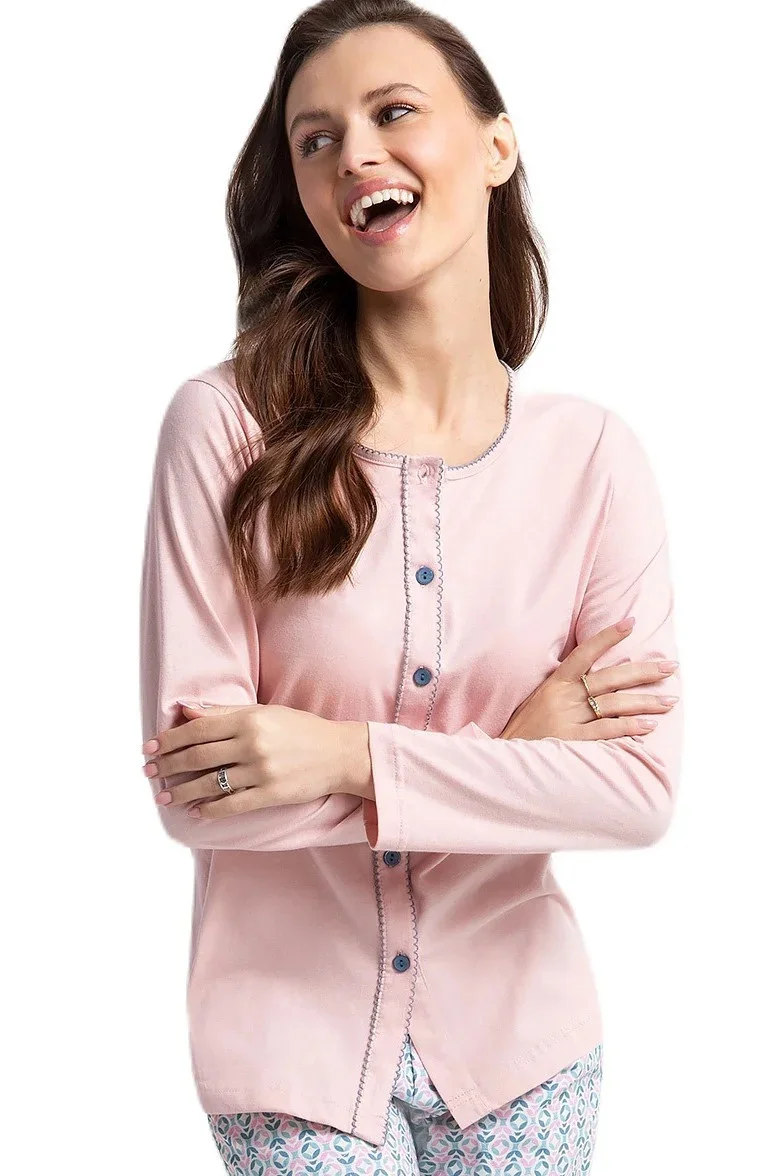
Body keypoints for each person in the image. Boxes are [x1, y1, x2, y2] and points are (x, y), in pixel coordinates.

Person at [138, 1, 684, 1172]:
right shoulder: (225, 429)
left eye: (393, 112)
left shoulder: (593, 459)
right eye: (316, 139)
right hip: (290, 1052)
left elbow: (635, 792)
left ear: (495, 145)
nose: (355, 154)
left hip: (523, 1048)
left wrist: (343, 758)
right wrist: (519, 754)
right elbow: (199, 793)